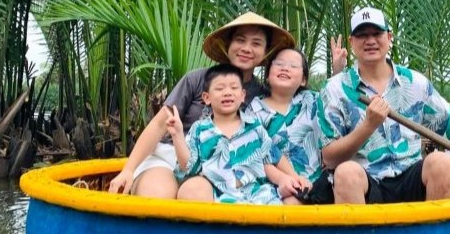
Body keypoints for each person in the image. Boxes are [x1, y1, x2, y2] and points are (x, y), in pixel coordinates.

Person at [108, 12, 346, 197]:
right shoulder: (197, 78)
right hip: (170, 158)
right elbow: (160, 124)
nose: (246, 48)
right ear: (227, 45)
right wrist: (128, 169)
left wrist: (337, 72)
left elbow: (303, 108)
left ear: (265, 53)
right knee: (158, 196)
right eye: (240, 40)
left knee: (202, 195)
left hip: (219, 169)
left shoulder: (262, 98)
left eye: (256, 43)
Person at [318, 7, 450, 204]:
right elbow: (329, 158)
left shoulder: (415, 83)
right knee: (345, 173)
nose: (370, 40)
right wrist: (368, 127)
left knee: (441, 162)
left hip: (410, 175)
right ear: (352, 42)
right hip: (366, 180)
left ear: (389, 38)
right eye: (362, 35)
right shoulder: (335, 89)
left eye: (376, 33)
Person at [166, 64, 305, 205]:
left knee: (285, 207)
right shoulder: (199, 130)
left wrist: (288, 178)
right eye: (220, 88)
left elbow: (270, 159)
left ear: (242, 95)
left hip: (258, 195)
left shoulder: (255, 127)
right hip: (218, 196)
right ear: (206, 98)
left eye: (234, 88)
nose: (227, 93)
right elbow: (188, 167)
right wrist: (177, 135)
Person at [248, 47, 323, 187]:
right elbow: (256, 156)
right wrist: (288, 180)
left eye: (293, 66)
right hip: (275, 185)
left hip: (320, 182)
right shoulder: (254, 110)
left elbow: (337, 106)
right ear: (267, 75)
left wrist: (338, 70)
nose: (285, 68)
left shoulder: (313, 100)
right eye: (279, 64)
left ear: (303, 80)